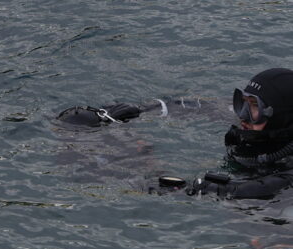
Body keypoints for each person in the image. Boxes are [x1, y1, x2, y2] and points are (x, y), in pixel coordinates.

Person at [57, 68, 293, 199]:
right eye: (243, 103)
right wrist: (139, 109)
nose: (242, 117)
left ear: (282, 117)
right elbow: (197, 106)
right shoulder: (247, 126)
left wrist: (163, 181)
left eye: (254, 109)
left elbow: (262, 189)